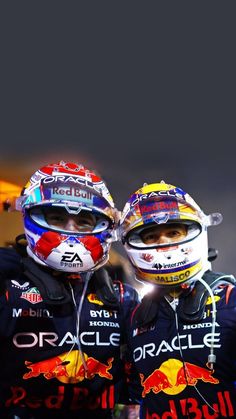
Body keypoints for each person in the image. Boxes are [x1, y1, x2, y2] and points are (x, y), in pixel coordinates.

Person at [0, 161, 139, 419]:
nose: (71, 231)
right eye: (57, 218)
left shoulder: (122, 296)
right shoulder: (6, 284)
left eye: (84, 221)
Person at [119, 181, 236, 418]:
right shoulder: (134, 315)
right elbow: (133, 392)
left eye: (173, 232)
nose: (164, 242)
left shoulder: (231, 298)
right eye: (151, 236)